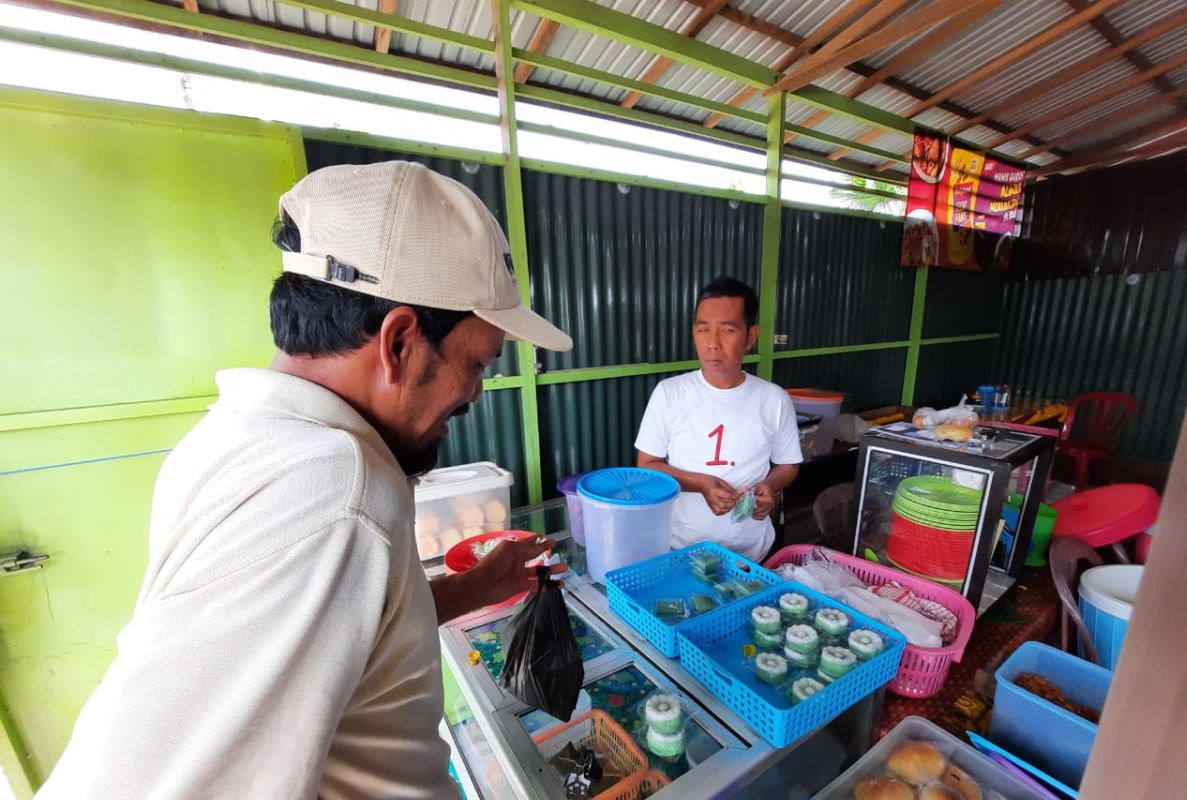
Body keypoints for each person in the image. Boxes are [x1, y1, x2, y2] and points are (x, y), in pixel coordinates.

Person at [37, 161, 572, 799]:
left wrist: (474, 586)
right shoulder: (331, 496)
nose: (477, 392)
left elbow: (355, 633)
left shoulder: (243, 435)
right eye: (476, 364)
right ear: (399, 342)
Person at [635, 277, 802, 562]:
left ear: (750, 336)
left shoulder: (774, 399)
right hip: (680, 547)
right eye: (703, 330)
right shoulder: (670, 394)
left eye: (727, 330)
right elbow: (647, 465)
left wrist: (770, 486)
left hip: (751, 551)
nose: (712, 343)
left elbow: (788, 464)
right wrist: (700, 483)